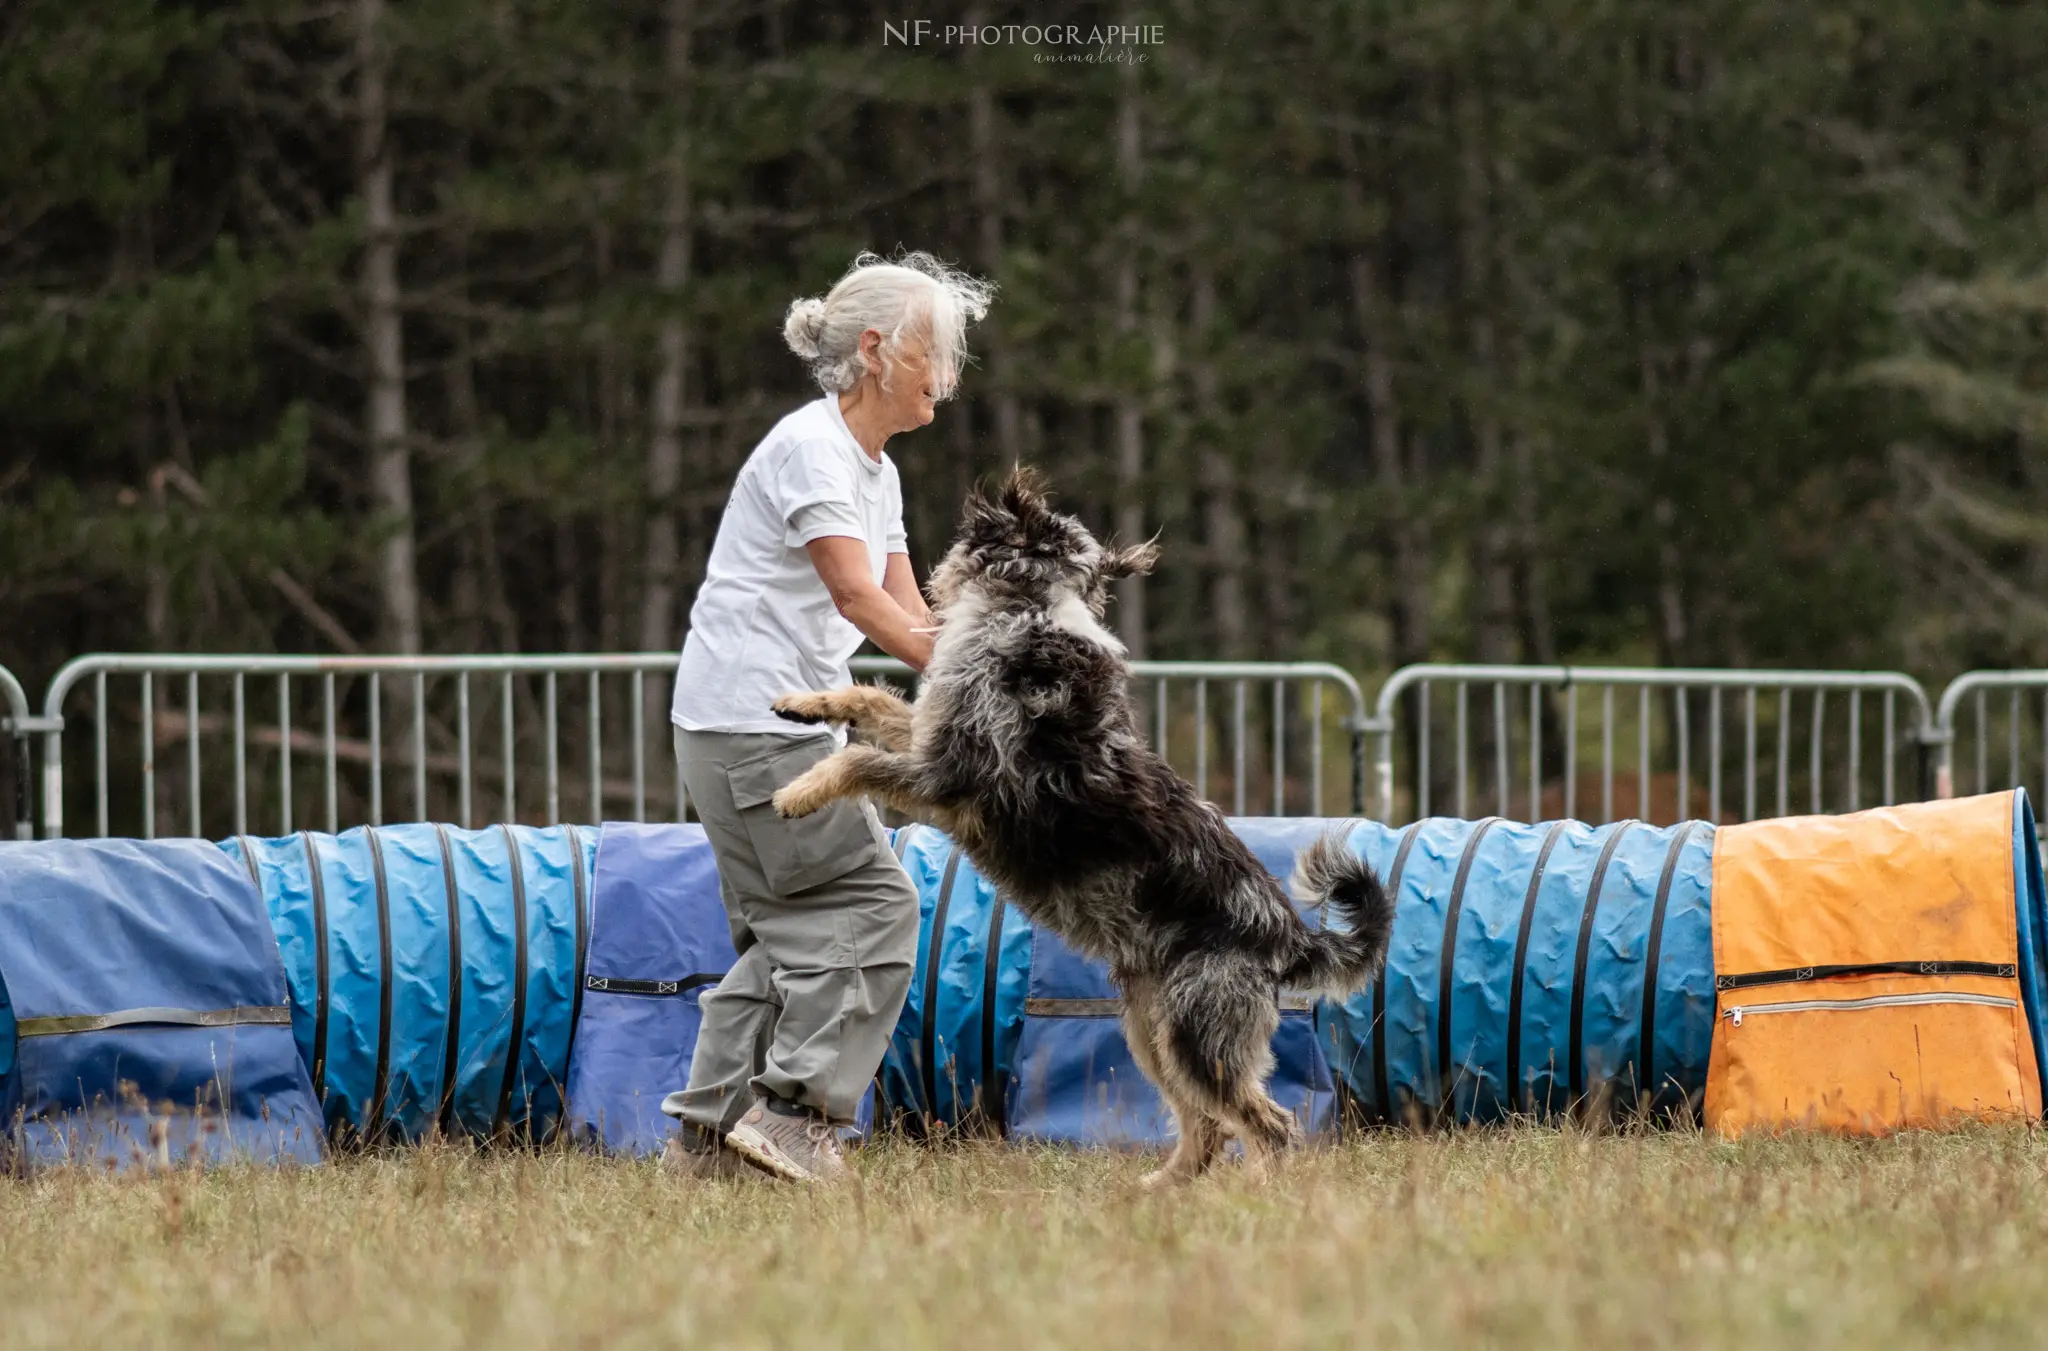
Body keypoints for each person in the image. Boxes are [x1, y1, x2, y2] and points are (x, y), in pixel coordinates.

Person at [659, 252, 992, 1182]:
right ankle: (799, 1115)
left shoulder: (873, 471)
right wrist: (965, 667)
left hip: (749, 725)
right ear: (878, 351)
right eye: (940, 352)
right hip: (754, 725)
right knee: (875, 907)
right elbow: (855, 597)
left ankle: (707, 1141)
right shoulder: (811, 448)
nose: (950, 376)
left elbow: (909, 615)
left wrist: (989, 645)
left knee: (787, 931)